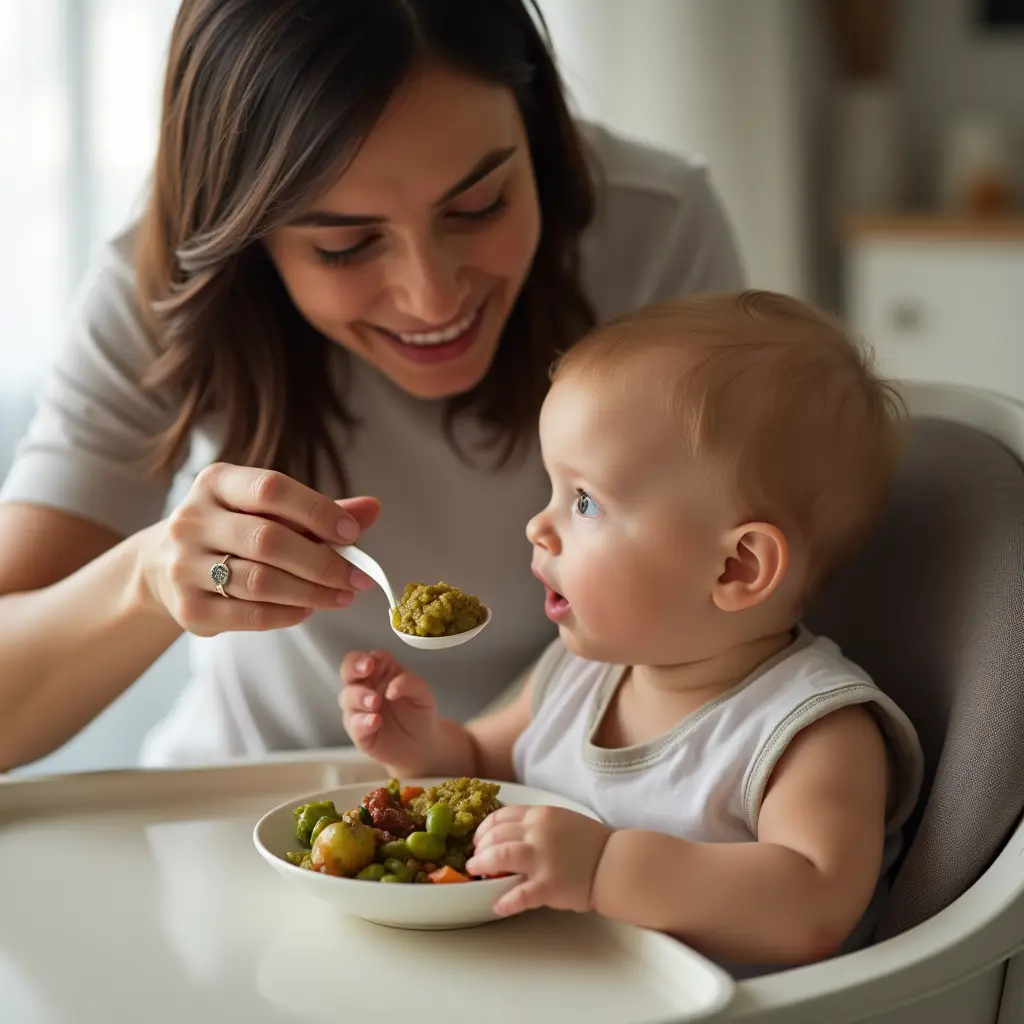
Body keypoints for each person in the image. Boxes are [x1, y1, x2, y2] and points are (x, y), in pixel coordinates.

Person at [0, 0, 744, 772]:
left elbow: (737, 603)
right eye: (345, 246)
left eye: (480, 205)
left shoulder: (656, 230)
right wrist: (148, 580)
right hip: (244, 801)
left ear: (538, 133)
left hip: (571, 798)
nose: (433, 298)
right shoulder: (166, 287)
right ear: (250, 239)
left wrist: (462, 760)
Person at [339, 291, 924, 973]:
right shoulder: (578, 671)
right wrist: (421, 747)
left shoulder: (810, 731)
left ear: (736, 567)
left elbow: (814, 906)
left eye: (585, 501)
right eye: (552, 488)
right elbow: (482, 767)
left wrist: (604, 865)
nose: (539, 525)